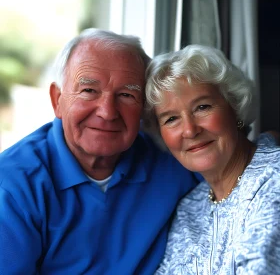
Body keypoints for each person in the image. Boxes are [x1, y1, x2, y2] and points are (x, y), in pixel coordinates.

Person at [0, 29, 200, 274]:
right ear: (57, 100)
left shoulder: (171, 156)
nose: (107, 112)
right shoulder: (12, 186)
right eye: (89, 91)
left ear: (144, 108)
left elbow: (232, 159)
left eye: (127, 95)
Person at [144, 44, 280, 274]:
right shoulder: (189, 207)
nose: (189, 130)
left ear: (235, 108)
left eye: (202, 107)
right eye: (171, 119)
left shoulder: (273, 180)